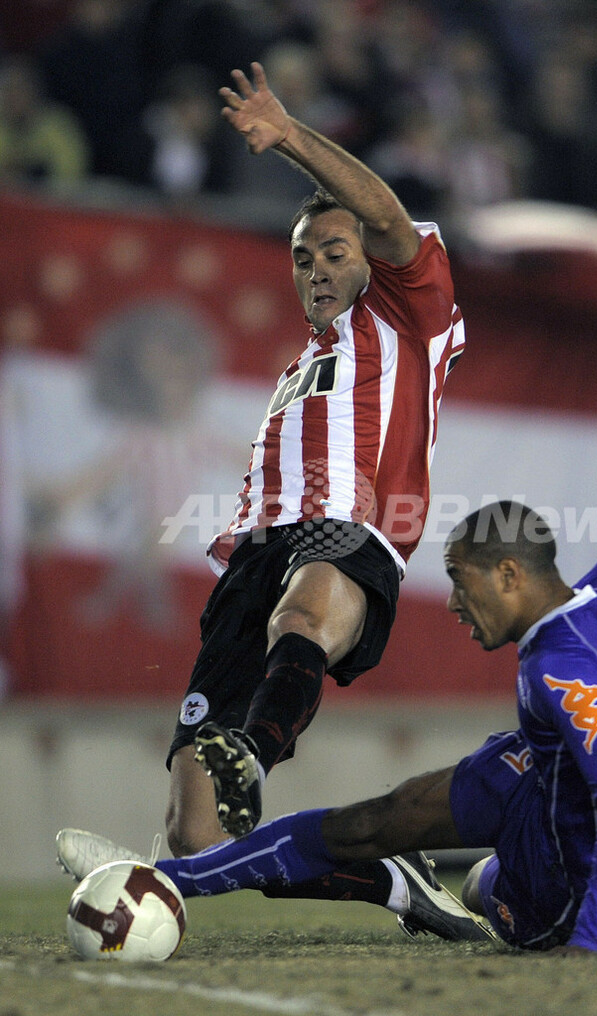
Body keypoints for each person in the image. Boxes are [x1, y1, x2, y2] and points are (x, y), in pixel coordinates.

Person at [58, 267, 597, 953]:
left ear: (510, 575)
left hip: (584, 852)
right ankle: (175, 877)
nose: (453, 604)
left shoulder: (564, 672)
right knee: (383, 820)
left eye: (462, 583)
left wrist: (588, 951)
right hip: (555, 777)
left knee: (490, 890)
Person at [165, 61, 465, 854]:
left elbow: (389, 218)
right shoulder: (300, 367)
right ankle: (386, 879)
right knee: (194, 834)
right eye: (303, 258)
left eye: (334, 251)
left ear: (370, 262)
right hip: (255, 554)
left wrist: (289, 136)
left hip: (345, 530)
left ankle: (254, 755)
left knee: (300, 617)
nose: (317, 269)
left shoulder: (407, 315)